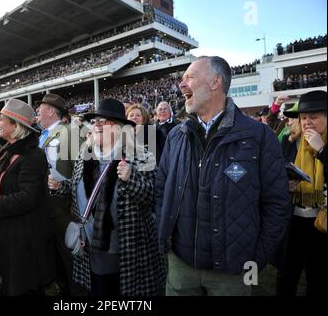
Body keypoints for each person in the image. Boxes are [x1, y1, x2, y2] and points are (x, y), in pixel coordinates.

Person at [155, 56, 290, 296]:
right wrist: (166, 239)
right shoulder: (176, 136)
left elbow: (277, 203)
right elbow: (161, 190)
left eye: (190, 77)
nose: (182, 84)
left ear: (215, 82)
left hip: (233, 270)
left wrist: (257, 257)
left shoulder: (259, 136)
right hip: (180, 265)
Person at [49, 98, 165, 296]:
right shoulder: (84, 155)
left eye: (104, 121)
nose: (97, 126)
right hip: (92, 248)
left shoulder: (140, 155)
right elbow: (77, 191)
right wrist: (60, 186)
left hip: (128, 250)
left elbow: (153, 198)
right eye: (94, 122)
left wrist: (131, 178)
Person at [0, 98, 54, 295]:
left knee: (20, 288)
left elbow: (27, 198)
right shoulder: (9, 150)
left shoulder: (33, 156)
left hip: (23, 238)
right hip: (7, 232)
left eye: (1, 119)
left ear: (15, 126)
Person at [275, 90, 327, 296]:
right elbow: (274, 175)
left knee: (318, 275)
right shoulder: (289, 142)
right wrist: (284, 186)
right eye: (303, 117)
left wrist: (322, 150)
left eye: (314, 117)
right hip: (293, 220)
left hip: (322, 224)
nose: (307, 122)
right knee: (287, 273)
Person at [36, 93, 82, 295]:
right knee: (55, 251)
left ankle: (76, 293)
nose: (37, 113)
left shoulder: (70, 132)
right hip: (47, 203)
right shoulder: (43, 135)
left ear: (51, 111)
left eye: (40, 110)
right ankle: (62, 286)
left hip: (63, 205)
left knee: (69, 253)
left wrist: (75, 202)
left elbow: (82, 169)